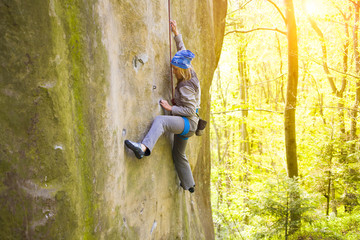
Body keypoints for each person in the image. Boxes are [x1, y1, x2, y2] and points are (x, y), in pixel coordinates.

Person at [124, 20, 201, 193]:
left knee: (161, 121)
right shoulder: (190, 70)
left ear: (181, 70)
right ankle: (189, 185)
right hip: (189, 122)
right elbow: (183, 51)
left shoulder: (186, 86)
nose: (172, 71)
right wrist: (176, 33)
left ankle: (142, 148)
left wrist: (170, 107)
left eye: (174, 69)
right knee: (178, 154)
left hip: (188, 123)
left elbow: (189, 110)